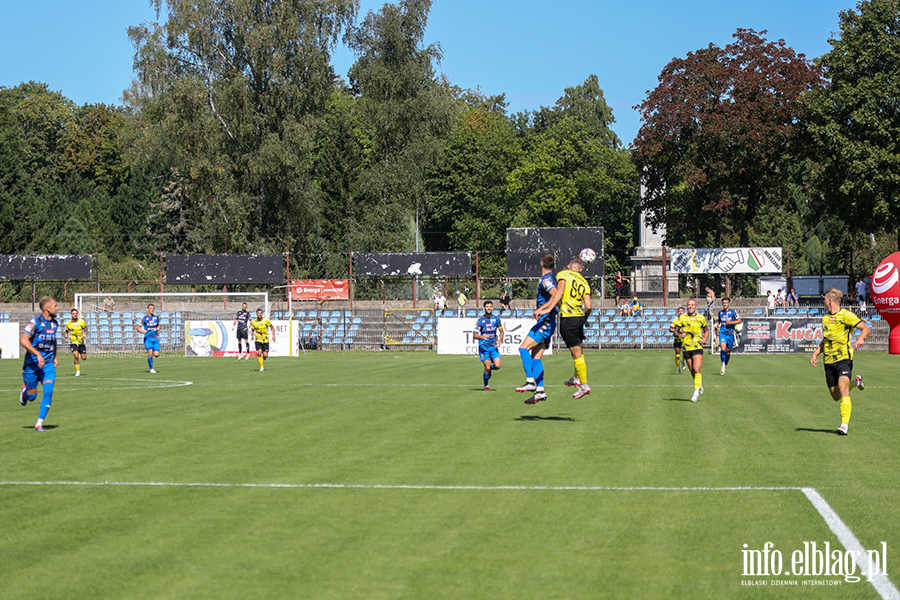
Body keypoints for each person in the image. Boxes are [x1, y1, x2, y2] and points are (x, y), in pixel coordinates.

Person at [810, 287, 870, 435]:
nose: (823, 300)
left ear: (830, 300)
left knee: (843, 389)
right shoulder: (825, 318)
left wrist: (861, 338)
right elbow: (826, 340)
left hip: (844, 358)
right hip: (828, 360)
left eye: (824, 298)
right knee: (836, 396)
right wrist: (816, 353)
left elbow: (866, 328)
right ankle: (856, 382)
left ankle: (844, 425)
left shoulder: (846, 315)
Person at [534, 256, 593, 399]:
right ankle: (576, 377)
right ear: (581, 269)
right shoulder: (584, 282)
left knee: (577, 355)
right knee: (577, 352)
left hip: (568, 319)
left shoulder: (563, 274)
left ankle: (584, 385)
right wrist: (584, 319)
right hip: (578, 318)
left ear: (568, 266)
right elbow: (589, 306)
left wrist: (548, 309)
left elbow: (559, 293)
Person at [516, 253, 558, 405]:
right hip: (549, 322)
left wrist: (543, 309)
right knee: (536, 358)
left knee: (523, 348)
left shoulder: (546, 280)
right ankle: (540, 391)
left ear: (541, 264)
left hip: (545, 321)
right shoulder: (553, 278)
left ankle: (530, 381)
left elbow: (555, 295)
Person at [19, 297, 60, 431]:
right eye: (55, 305)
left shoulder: (55, 324)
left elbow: (53, 340)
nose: (58, 308)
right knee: (32, 397)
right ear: (48, 308)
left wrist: (54, 356)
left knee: (48, 390)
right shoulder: (35, 322)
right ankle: (25, 392)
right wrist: (37, 354)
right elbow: (24, 341)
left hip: (48, 364)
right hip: (32, 364)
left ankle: (39, 423)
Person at [675, 298, 708, 402]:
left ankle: (695, 392)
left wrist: (705, 339)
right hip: (686, 348)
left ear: (696, 306)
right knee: (692, 372)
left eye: (692, 305)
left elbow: (706, 331)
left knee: (697, 369)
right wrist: (680, 334)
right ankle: (699, 385)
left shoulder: (701, 318)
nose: (690, 306)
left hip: (697, 347)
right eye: (689, 305)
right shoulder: (682, 318)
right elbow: (674, 332)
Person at [473, 300, 503, 391]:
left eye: (490, 306)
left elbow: (502, 331)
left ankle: (488, 369)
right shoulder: (480, 321)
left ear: (492, 308)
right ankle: (486, 385)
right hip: (484, 348)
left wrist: (500, 340)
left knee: (497, 366)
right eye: (487, 306)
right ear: (484, 308)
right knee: (487, 366)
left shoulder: (496, 319)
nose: (489, 308)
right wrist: (482, 336)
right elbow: (475, 335)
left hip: (493, 347)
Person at [717, 297, 742, 376]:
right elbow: (719, 320)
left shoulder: (733, 312)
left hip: (730, 334)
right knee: (723, 349)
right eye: (724, 303)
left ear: (729, 303)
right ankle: (723, 364)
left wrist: (731, 322)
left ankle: (725, 364)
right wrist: (717, 325)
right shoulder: (720, 313)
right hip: (722, 333)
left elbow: (739, 320)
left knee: (728, 351)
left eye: (726, 303)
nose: (725, 304)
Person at [64, 308, 88, 376]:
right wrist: (66, 338)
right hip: (73, 342)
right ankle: (77, 371)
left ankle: (79, 353)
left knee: (84, 358)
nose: (75, 315)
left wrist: (84, 335)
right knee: (76, 356)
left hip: (80, 342)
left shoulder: (81, 322)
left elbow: (85, 330)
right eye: (73, 314)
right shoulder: (68, 323)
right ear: (71, 314)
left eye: (76, 313)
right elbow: (66, 331)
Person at [138, 303, 161, 373]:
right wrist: (142, 332)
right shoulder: (144, 319)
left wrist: (158, 328)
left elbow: (159, 325)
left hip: (155, 338)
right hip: (148, 338)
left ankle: (151, 357)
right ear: (148, 309)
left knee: (156, 354)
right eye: (150, 308)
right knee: (150, 353)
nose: (152, 309)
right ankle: (151, 368)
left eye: (153, 308)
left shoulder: (156, 318)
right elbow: (138, 327)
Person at [668, 306, 687, 375]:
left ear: (684, 312)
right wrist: (677, 330)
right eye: (679, 311)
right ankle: (678, 369)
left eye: (682, 311)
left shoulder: (686, 319)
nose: (680, 312)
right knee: (677, 355)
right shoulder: (676, 320)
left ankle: (683, 361)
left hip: (684, 339)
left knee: (685, 353)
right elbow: (670, 329)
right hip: (677, 339)